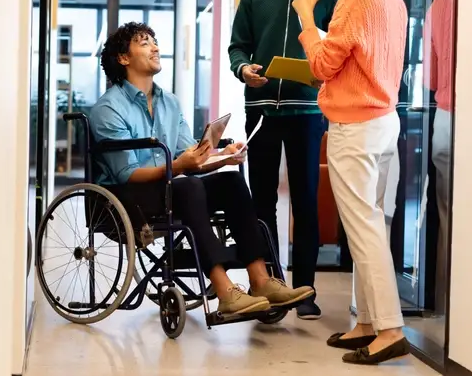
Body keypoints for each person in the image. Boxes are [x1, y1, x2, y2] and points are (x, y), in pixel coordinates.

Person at [91, 22, 314, 316]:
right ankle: (225, 291)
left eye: (155, 41)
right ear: (123, 58)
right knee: (187, 186)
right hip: (128, 196)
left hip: (171, 189)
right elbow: (127, 174)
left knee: (231, 183)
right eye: (145, 43)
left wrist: (222, 155)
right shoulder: (108, 109)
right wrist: (180, 165)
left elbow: (190, 153)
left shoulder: (169, 103)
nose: (155, 47)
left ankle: (260, 280)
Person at [292, 0, 410, 364]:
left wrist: (306, 15)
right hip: (383, 122)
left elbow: (322, 66)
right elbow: (357, 58)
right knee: (374, 225)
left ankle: (389, 330)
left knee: (363, 232)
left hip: (354, 129)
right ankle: (366, 323)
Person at [228, 0, 342, 320]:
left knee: (306, 201)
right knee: (262, 203)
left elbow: (336, 50)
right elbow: (237, 45)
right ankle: (272, 288)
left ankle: (306, 290)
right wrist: (244, 69)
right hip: (260, 109)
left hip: (307, 111)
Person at [424, 0, 455, 315]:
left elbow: (431, 79)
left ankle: (445, 305)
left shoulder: (441, 3)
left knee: (448, 217)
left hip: (445, 118)